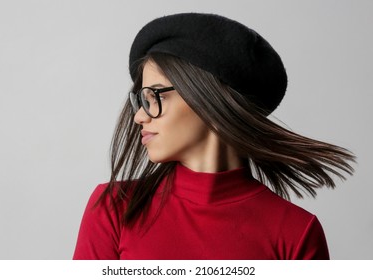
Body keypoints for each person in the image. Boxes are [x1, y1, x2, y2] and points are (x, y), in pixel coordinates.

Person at [73, 13, 355, 260]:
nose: (139, 116)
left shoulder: (296, 233)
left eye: (153, 97)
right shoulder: (114, 208)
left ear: (207, 100)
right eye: (140, 100)